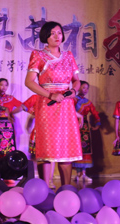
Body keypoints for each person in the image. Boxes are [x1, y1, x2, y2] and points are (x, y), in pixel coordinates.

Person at [24, 21, 82, 188]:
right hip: (47, 105)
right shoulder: (38, 55)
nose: (57, 36)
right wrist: (50, 95)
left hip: (66, 106)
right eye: (52, 33)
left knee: (66, 148)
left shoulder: (69, 56)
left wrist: (74, 90)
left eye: (59, 33)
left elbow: (76, 80)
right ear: (46, 36)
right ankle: (44, 190)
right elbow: (29, 82)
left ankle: (66, 189)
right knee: (47, 148)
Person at [0, 78, 23, 178]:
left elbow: (22, 106)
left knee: (9, 149)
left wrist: (12, 113)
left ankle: (9, 174)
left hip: (8, 126)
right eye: (1, 85)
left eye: (5, 85)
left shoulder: (11, 98)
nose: (3, 87)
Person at [73, 80, 100, 183]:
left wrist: (97, 124)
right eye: (83, 87)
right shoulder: (73, 99)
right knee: (76, 149)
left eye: (87, 88)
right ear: (78, 87)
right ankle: (78, 173)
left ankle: (83, 173)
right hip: (74, 126)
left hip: (84, 127)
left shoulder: (88, 102)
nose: (85, 90)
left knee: (85, 149)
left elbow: (94, 113)